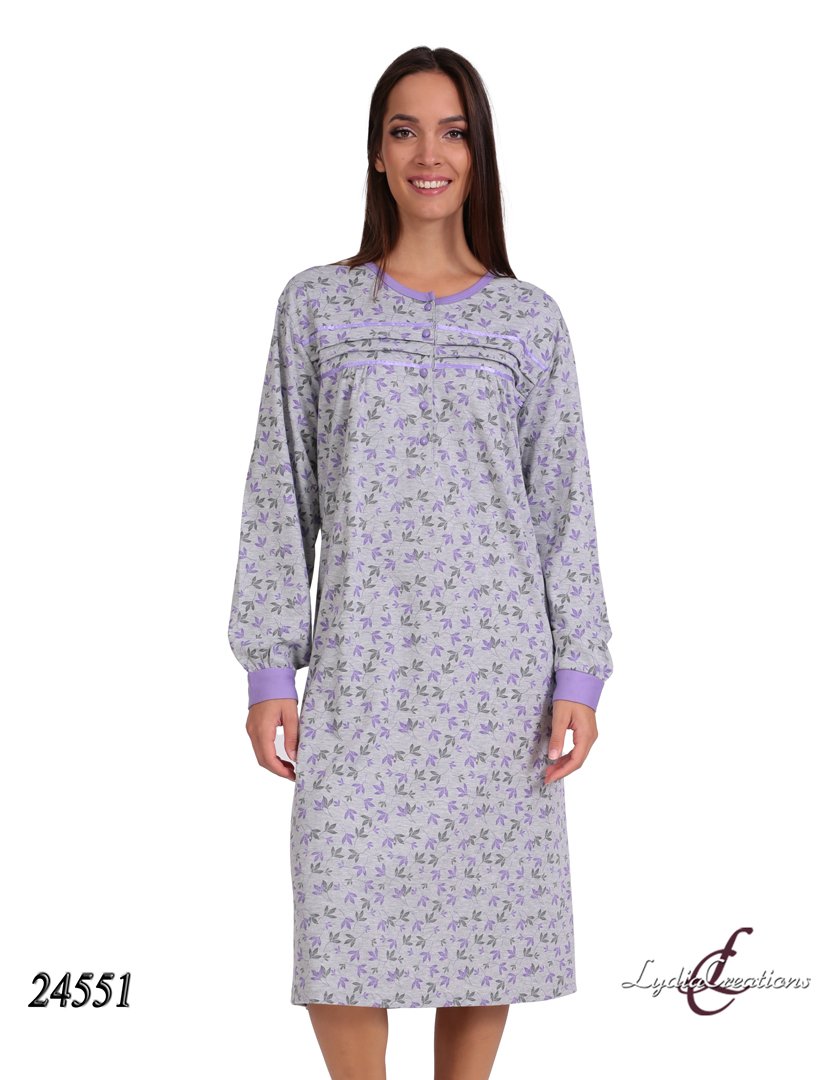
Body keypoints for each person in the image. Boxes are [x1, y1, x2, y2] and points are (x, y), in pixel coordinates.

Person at [228, 44, 614, 1080]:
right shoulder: (318, 306)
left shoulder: (528, 320)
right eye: (405, 131)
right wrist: (270, 667)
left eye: (453, 133)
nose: (428, 154)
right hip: (362, 676)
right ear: (376, 152)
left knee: (485, 925)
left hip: (497, 686)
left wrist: (579, 674)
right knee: (341, 924)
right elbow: (280, 489)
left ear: (479, 155)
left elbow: (564, 506)